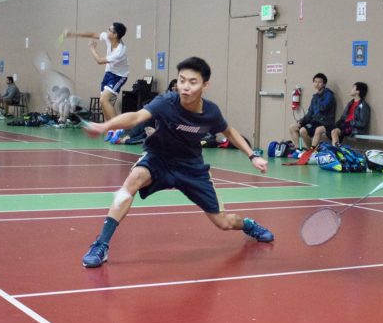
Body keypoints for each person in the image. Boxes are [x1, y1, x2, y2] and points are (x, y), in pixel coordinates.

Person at [80, 57, 274, 268]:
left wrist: (252, 155)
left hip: (191, 168)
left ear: (205, 85)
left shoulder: (211, 112)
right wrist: (104, 126)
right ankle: (101, 244)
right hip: (159, 158)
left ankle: (248, 225)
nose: (185, 87)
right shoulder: (166, 102)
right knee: (133, 179)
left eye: (192, 82)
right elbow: (136, 117)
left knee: (223, 222)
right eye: (182, 80)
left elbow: (228, 131)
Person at [66, 22, 129, 122]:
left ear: (115, 35)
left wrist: (92, 48)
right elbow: (92, 34)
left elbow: (99, 61)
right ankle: (109, 127)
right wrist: (73, 34)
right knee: (103, 103)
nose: (107, 31)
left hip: (119, 76)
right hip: (109, 73)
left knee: (104, 99)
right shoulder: (108, 37)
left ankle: (118, 127)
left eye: (109, 30)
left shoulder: (120, 51)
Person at [289, 73, 336, 148]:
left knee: (303, 131)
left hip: (324, 122)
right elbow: (310, 112)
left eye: (320, 82)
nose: (317, 84)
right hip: (314, 121)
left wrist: (317, 96)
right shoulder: (315, 97)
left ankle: (310, 150)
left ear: (324, 84)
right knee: (293, 127)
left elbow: (322, 108)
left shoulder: (329, 95)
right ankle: (299, 149)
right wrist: (301, 122)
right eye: (315, 82)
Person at [330, 82, 371, 146]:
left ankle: (336, 150)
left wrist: (351, 123)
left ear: (358, 91)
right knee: (330, 129)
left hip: (354, 128)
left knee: (334, 132)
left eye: (353, 88)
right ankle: (337, 148)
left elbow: (363, 123)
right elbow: (343, 117)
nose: (351, 90)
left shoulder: (363, 106)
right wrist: (337, 124)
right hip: (345, 125)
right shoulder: (350, 103)